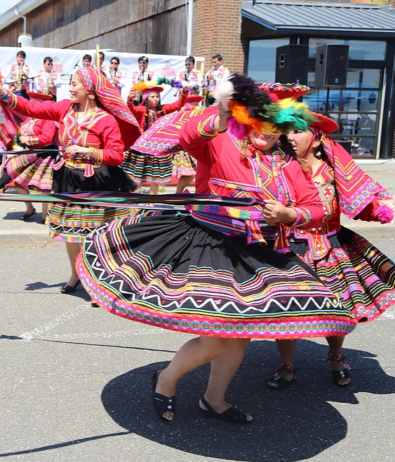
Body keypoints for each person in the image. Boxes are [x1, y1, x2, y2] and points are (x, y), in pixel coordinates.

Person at [77, 76, 357, 424]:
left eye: (276, 125)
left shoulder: (287, 163)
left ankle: (214, 400)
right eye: (259, 121)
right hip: (209, 244)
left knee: (238, 337)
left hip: (257, 253)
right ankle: (165, 381)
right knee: (215, 338)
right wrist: (222, 115)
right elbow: (190, 137)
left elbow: (316, 206)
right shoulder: (221, 140)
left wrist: (289, 214)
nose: (267, 131)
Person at [266, 110, 395, 390]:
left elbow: (358, 205)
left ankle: (336, 357)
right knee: (287, 311)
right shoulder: (275, 168)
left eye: (297, 131)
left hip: (330, 247)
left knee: (337, 309)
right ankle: (287, 366)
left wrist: (381, 211)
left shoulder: (333, 169)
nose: (289, 136)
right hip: (289, 248)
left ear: (315, 139)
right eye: (286, 131)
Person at [0, 67, 141, 295]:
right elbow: (33, 107)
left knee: (95, 235)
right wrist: (5, 94)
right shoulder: (65, 109)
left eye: (75, 84)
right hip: (68, 179)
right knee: (72, 233)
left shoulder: (106, 120)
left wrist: (88, 151)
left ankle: (97, 279)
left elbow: (117, 155)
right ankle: (75, 274)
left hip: (97, 183)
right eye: (71, 83)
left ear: (90, 91)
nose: (70, 88)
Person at [0, 92, 59, 223]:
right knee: (18, 180)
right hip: (29, 154)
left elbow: (47, 138)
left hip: (45, 154)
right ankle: (29, 208)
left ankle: (45, 215)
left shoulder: (48, 118)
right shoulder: (29, 118)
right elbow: (21, 133)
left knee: (44, 187)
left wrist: (28, 139)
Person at [122, 86, 189, 194]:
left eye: (157, 96)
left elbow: (178, 104)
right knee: (139, 174)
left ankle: (152, 203)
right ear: (146, 98)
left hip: (157, 147)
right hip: (142, 147)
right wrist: (130, 100)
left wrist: (184, 93)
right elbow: (131, 109)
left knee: (155, 176)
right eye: (152, 96)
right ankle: (134, 198)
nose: (155, 99)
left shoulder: (163, 109)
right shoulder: (142, 109)